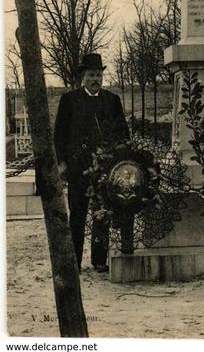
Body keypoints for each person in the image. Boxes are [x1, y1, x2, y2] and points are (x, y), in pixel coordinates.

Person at [54, 53, 129, 272]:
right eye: (91, 75)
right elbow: (59, 135)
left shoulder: (112, 100)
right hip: (78, 168)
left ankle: (99, 260)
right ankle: (74, 262)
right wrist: (62, 163)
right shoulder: (69, 100)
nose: (95, 79)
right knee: (77, 215)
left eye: (98, 74)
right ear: (83, 77)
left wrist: (121, 158)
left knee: (101, 214)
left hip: (105, 168)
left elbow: (122, 132)